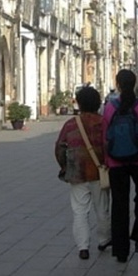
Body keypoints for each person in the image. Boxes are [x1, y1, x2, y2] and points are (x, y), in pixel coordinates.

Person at [103, 69, 138, 263]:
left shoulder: (110, 107)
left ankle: (121, 250)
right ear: (135, 84)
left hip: (116, 161)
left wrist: (105, 160)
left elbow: (105, 136)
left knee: (119, 204)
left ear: (117, 85)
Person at [54, 85, 111, 261]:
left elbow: (59, 148)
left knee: (79, 211)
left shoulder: (71, 124)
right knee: (102, 209)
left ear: (79, 103)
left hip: (77, 173)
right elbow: (109, 145)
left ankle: (83, 247)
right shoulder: (103, 123)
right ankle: (103, 240)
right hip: (98, 172)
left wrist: (65, 166)